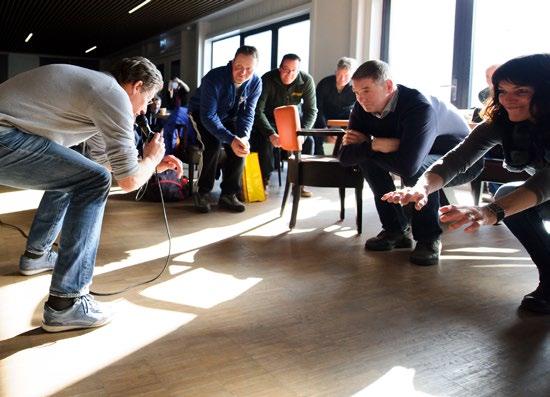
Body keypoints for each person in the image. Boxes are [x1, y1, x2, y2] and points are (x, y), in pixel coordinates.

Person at [0, 56, 183, 332]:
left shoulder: (98, 92)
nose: (145, 110)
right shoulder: (113, 95)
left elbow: (105, 165)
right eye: (148, 99)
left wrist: (153, 165)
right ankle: (67, 303)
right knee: (92, 181)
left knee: (81, 173)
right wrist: (150, 160)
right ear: (137, 86)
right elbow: (130, 180)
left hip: (8, 136)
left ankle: (37, 256)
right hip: (5, 137)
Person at [382, 54, 550, 314]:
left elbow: (546, 180)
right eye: (503, 91)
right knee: (509, 194)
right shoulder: (503, 121)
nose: (507, 99)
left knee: (507, 197)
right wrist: (421, 187)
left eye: (522, 91)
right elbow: (457, 159)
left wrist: (488, 212)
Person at [338, 60, 482, 266]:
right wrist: (375, 145)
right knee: (367, 160)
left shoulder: (418, 106)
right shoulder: (361, 108)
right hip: (415, 155)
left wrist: (377, 146)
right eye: (356, 92)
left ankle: (428, 239)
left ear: (388, 86)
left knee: (420, 169)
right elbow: (345, 157)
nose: (360, 99)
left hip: (461, 160)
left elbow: (409, 167)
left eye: (366, 90)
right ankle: (396, 231)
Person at [188, 45, 262, 213]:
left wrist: (242, 137)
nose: (243, 73)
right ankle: (203, 192)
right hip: (202, 114)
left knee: (241, 146)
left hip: (229, 116)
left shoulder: (256, 82)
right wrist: (230, 138)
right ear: (232, 62)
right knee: (213, 145)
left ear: (255, 68)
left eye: (249, 69)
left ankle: (228, 194)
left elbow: (247, 114)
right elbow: (209, 116)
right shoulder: (214, 78)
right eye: (239, 67)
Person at [251, 53, 317, 196]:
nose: (290, 74)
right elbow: (258, 110)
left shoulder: (306, 80)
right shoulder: (267, 79)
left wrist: (303, 134)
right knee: (264, 141)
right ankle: (264, 179)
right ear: (280, 68)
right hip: (269, 121)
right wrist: (270, 133)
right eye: (286, 69)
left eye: (294, 70)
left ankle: (299, 183)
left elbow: (311, 111)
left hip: (292, 122)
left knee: (309, 141)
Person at [313, 57, 357, 155]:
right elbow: (317, 108)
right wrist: (325, 129)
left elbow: (357, 110)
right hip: (323, 119)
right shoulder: (324, 83)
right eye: (340, 74)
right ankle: (317, 161)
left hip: (345, 121)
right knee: (317, 136)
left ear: (352, 76)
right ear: (336, 72)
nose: (342, 78)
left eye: (346, 76)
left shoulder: (355, 87)